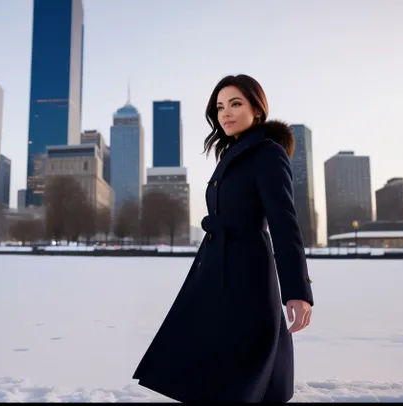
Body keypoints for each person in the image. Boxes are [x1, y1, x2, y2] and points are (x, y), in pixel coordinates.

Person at [132, 74, 314, 403]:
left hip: (248, 274)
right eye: (219, 107)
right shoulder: (232, 154)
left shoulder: (267, 153)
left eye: (235, 104)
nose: (225, 113)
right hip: (216, 269)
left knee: (244, 365)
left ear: (257, 110)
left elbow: (284, 223)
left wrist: (298, 291)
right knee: (204, 354)